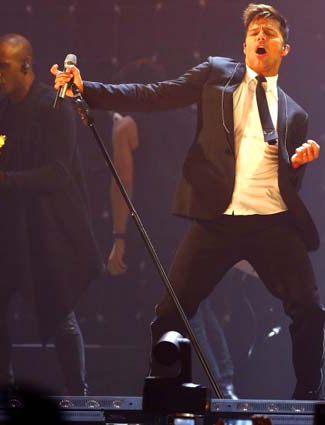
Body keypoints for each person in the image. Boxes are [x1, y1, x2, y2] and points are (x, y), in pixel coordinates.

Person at [52, 3, 325, 399]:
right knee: (171, 313)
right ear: (244, 45)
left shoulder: (295, 114)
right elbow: (154, 95)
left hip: (271, 223)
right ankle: (167, 394)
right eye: (254, 32)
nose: (261, 37)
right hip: (218, 220)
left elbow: (287, 184)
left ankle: (308, 398)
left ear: (284, 49)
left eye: (270, 33)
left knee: (309, 309)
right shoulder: (217, 74)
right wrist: (88, 89)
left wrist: (297, 165)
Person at [0, 33, 100, 395]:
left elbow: (59, 173)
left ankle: (78, 396)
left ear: (25, 66)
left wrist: (3, 180)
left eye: (2, 66)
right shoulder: (0, 112)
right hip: (5, 227)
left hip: (44, 228)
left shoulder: (54, 107)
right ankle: (3, 393)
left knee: (59, 311)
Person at [106, 66, 237, 397]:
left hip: (162, 229)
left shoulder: (125, 127)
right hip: (197, 219)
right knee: (200, 305)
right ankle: (227, 385)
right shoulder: (190, 117)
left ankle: (220, 391)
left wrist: (119, 237)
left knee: (184, 309)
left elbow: (123, 184)